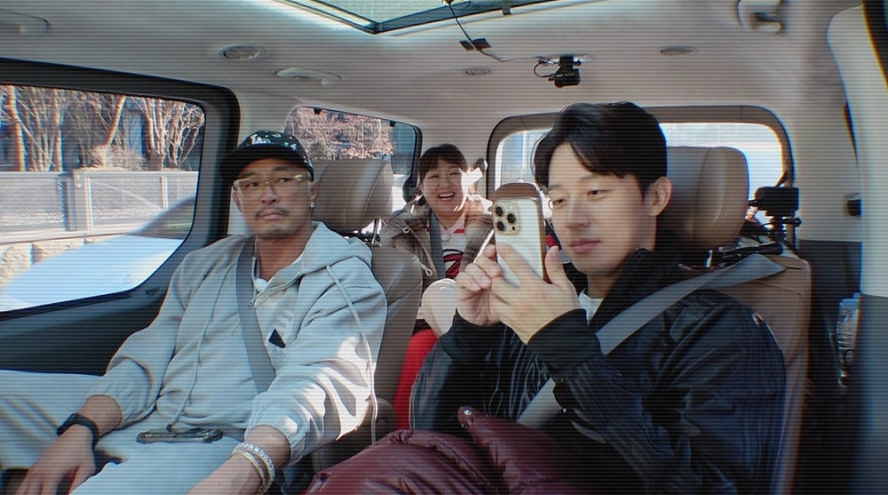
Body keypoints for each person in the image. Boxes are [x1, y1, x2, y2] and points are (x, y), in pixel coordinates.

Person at [305, 103, 786, 494]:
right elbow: (437, 434)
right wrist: (468, 338)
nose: (572, 218)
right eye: (557, 199)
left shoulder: (722, 330)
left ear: (656, 197)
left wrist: (572, 356)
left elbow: (710, 485)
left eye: (596, 192)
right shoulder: (531, 297)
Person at [0, 130, 387, 495]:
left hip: (230, 440)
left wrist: (248, 468)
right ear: (238, 200)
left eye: (284, 179)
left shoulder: (345, 281)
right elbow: (148, 357)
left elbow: (318, 385)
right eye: (251, 184)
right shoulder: (206, 264)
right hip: (153, 412)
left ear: (312, 191)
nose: (267, 194)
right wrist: (81, 428)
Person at [380, 144, 493, 430]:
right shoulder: (399, 229)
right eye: (434, 176)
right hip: (421, 322)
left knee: (427, 345)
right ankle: (407, 437)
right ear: (420, 186)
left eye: (454, 174)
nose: (445, 184)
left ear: (469, 181)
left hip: (486, 321)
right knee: (422, 343)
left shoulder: (497, 223)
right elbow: (389, 292)